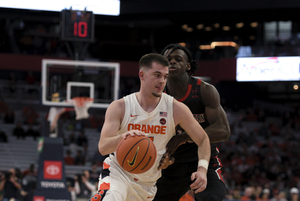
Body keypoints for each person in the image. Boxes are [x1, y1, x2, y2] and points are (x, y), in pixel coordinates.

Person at [90, 53, 211, 201]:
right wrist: (123, 138)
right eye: (157, 75)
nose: (162, 81)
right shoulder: (120, 106)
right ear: (142, 75)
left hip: (147, 184)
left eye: (165, 77)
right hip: (118, 174)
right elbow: (103, 147)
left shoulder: (176, 109)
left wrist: (202, 170)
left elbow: (203, 139)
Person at [153, 44, 231, 201]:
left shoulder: (204, 90)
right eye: (168, 60)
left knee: (213, 198)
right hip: (170, 164)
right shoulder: (154, 96)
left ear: (188, 65)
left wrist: (184, 137)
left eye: (178, 59)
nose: (173, 62)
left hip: (202, 161)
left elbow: (223, 130)